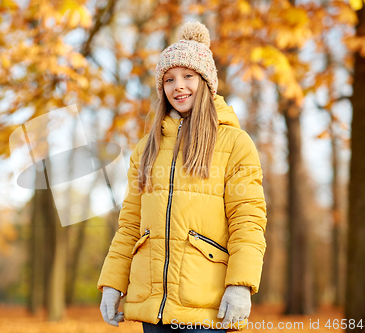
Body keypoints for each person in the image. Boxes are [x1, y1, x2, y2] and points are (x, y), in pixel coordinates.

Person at [97, 21, 267, 333]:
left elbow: (248, 222)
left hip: (206, 308)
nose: (179, 86)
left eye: (188, 76)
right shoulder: (147, 149)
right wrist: (112, 284)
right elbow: (130, 224)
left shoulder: (235, 144)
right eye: (169, 79)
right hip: (153, 308)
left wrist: (241, 285)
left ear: (206, 81)